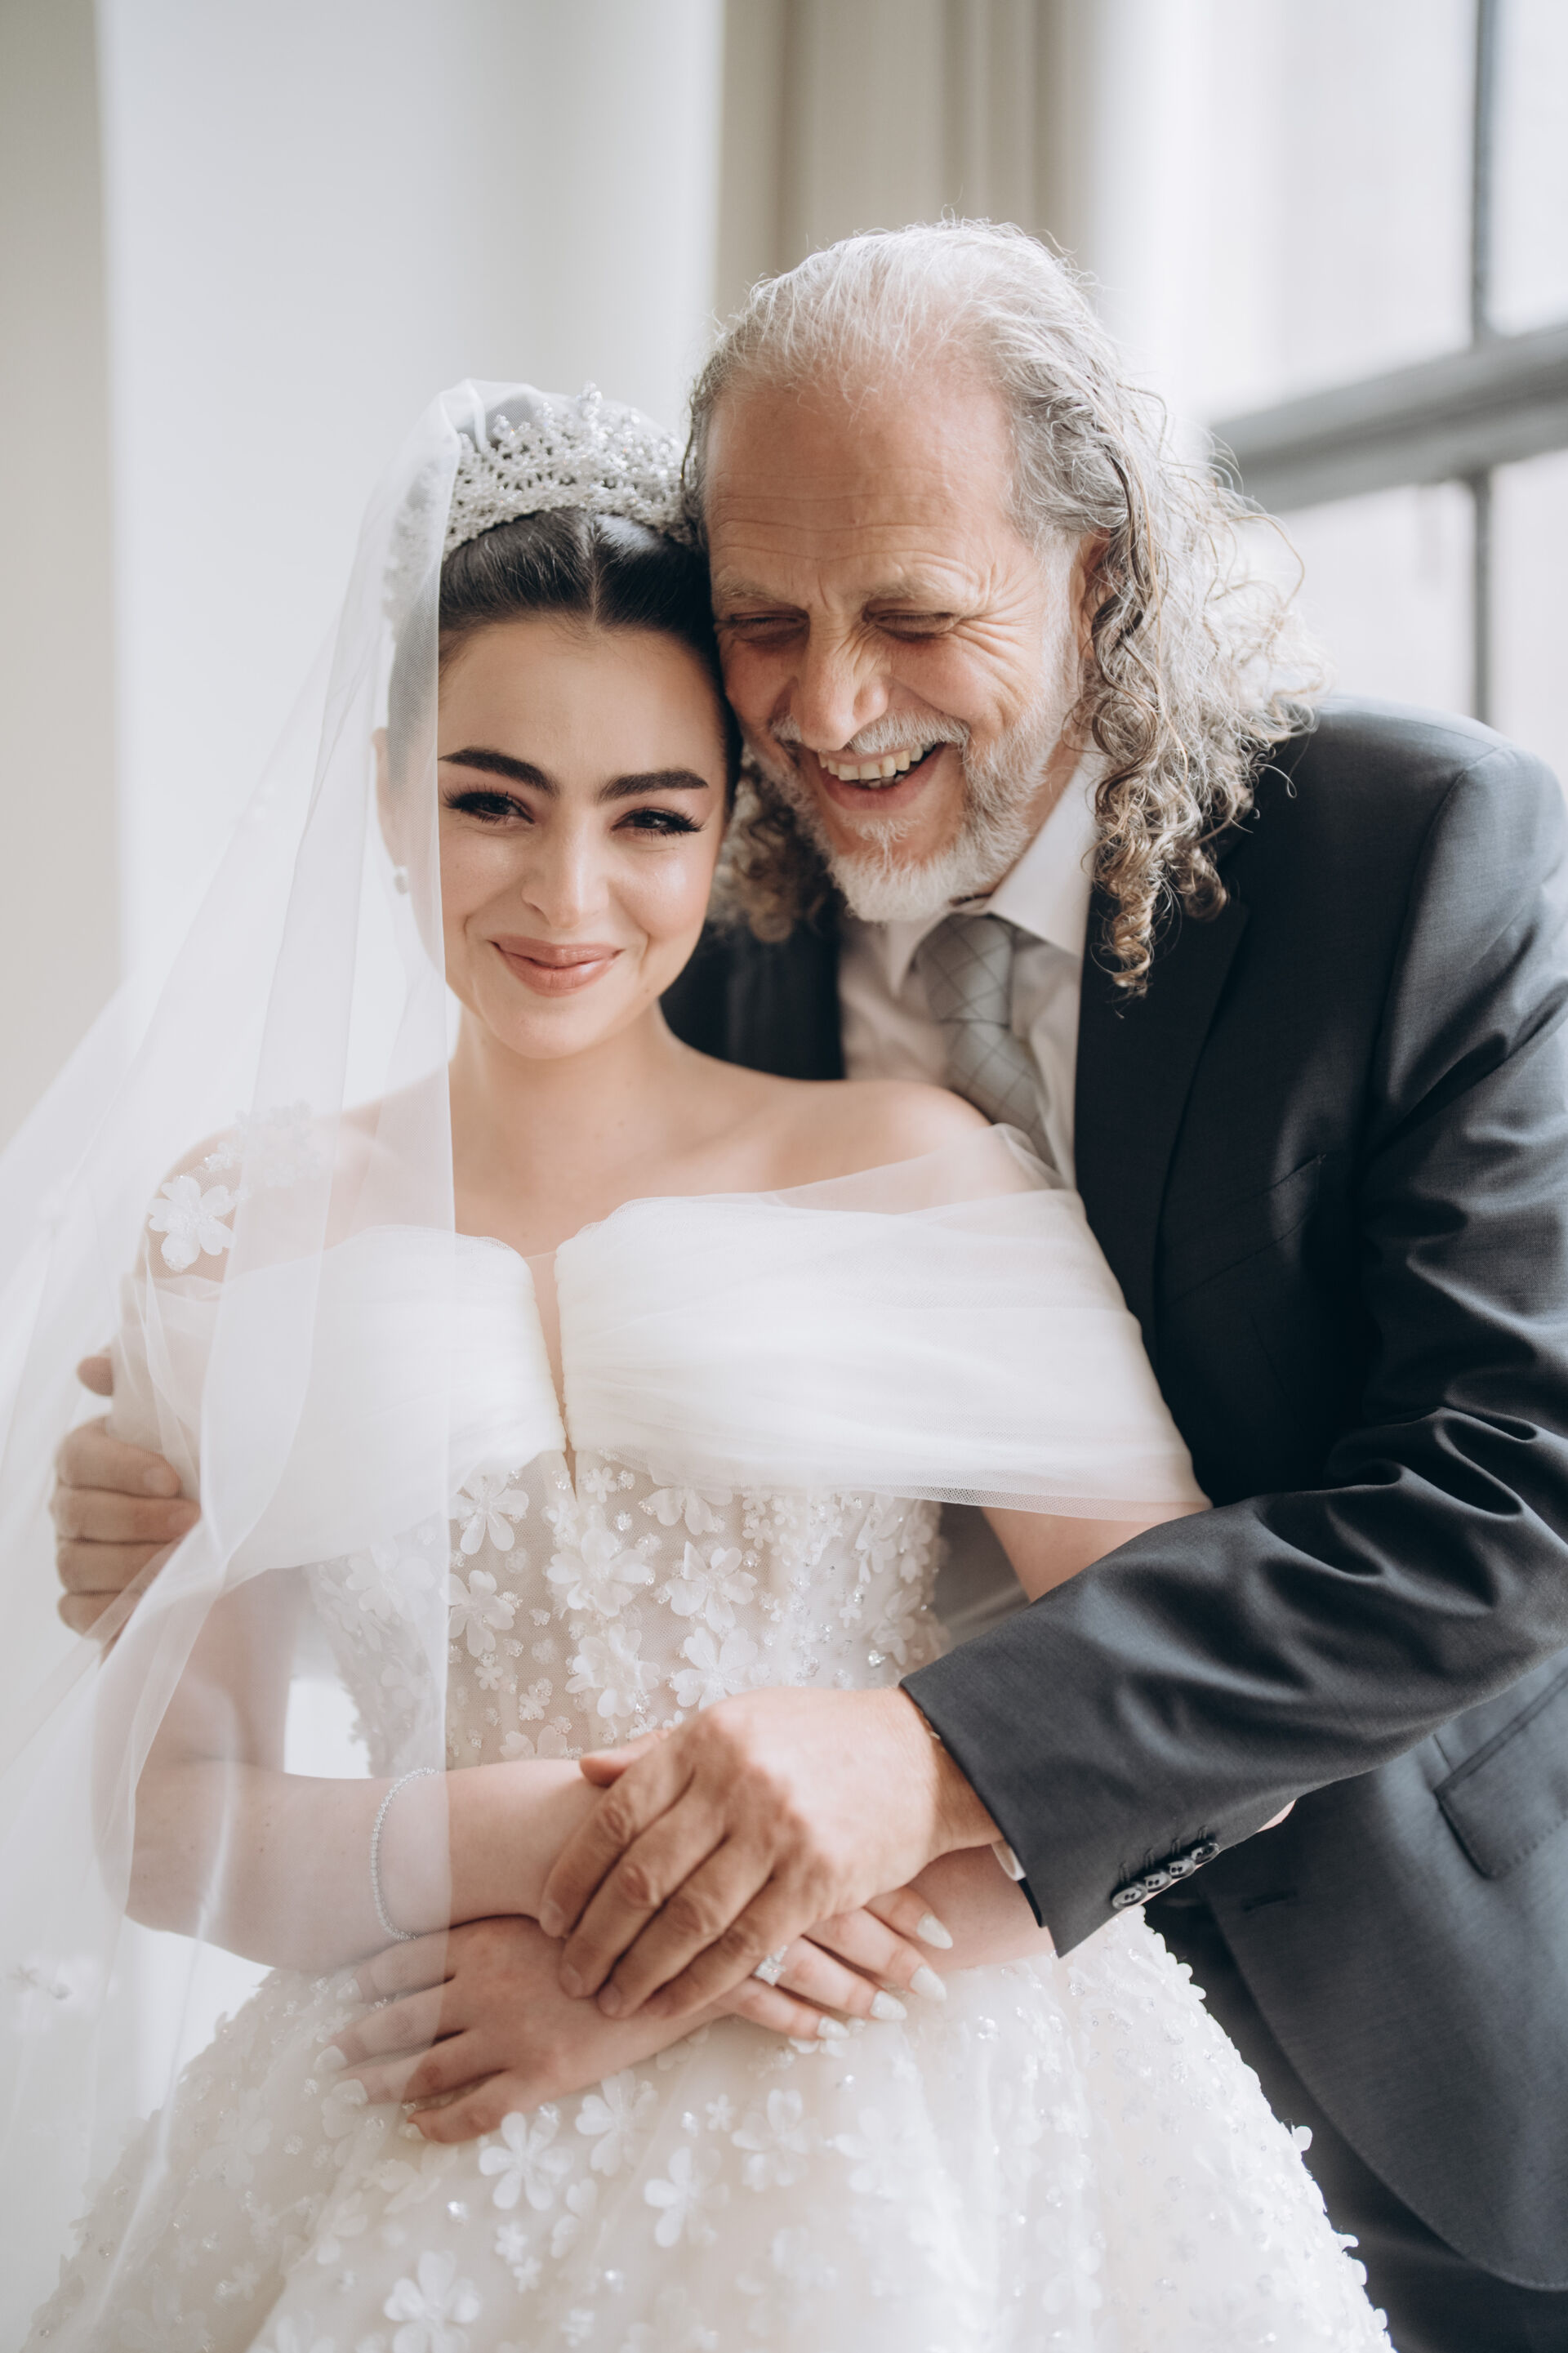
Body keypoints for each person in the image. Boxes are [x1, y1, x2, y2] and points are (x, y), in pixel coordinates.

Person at [49, 221, 1568, 2352]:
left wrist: (899, 1783)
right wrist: (215, 1452)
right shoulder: (715, 896)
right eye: (766, 625)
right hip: (685, 2019)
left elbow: (1509, 1490)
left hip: (1340, 1977)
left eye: (916, 617)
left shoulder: (1419, 858)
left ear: (1097, 575)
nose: (833, 709)